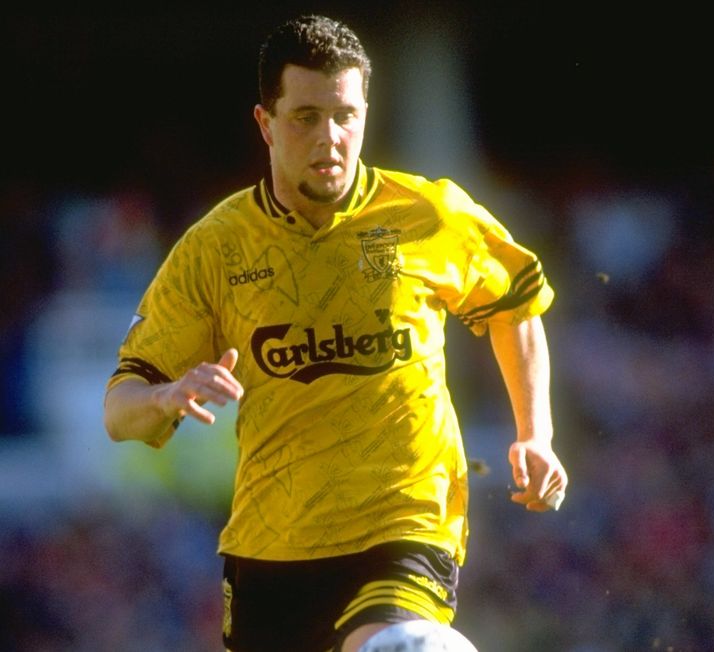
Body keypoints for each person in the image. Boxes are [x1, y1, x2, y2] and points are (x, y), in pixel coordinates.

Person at [103, 13, 568, 652]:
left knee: (405, 646)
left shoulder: (428, 215)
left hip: (404, 525)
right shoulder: (215, 249)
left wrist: (536, 433)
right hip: (271, 550)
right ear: (266, 124)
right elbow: (119, 412)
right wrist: (165, 396)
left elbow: (514, 304)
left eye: (346, 116)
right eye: (306, 117)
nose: (330, 137)